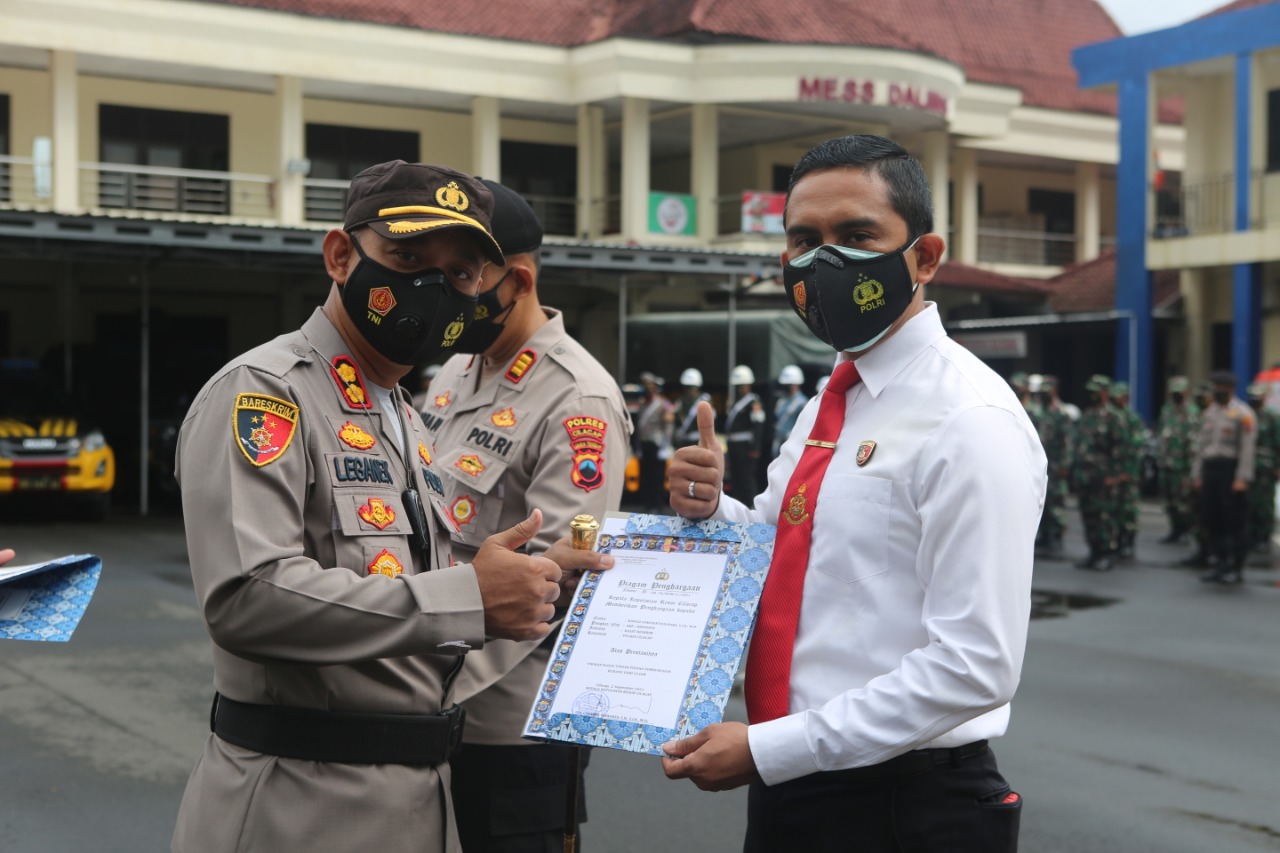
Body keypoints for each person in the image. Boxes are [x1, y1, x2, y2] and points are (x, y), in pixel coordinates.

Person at [170, 161, 580, 853]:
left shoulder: (402, 413)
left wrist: (533, 585)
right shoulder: (266, 391)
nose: (435, 286)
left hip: (419, 796)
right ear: (340, 256)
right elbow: (246, 597)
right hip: (300, 805)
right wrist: (468, 597)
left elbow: (410, 600)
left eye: (460, 273)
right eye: (408, 258)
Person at [661, 134, 1046, 852]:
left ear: (924, 258)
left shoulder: (969, 418)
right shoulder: (831, 399)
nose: (823, 262)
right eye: (804, 241)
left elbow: (976, 665)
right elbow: (780, 548)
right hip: (799, 784)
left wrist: (772, 748)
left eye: (856, 236)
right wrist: (713, 508)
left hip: (901, 805)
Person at [420, 179, 630, 851]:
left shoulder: (578, 398)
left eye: (462, 275)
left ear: (518, 281)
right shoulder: (456, 369)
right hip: (428, 707)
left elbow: (553, 582)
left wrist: (432, 685)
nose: (446, 293)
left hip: (507, 730)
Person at [1192, 370, 1257, 584]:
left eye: (1220, 388)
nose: (1217, 391)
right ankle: (1220, 563)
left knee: (1234, 522)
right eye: (1215, 388)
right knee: (1213, 519)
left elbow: (1247, 449)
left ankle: (1236, 567)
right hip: (1211, 470)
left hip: (1231, 471)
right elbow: (1201, 447)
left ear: (1230, 389)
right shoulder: (1210, 413)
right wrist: (1197, 474)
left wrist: (1242, 478)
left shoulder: (1243, 413)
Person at [1073, 374, 1125, 571]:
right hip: (1086, 476)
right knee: (1088, 515)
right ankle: (1093, 552)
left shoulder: (1114, 417)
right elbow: (1079, 446)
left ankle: (1106, 554)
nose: (1092, 395)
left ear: (1104, 393)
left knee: (1104, 517)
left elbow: (1119, 449)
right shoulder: (1087, 416)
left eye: (1095, 391)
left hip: (1104, 477)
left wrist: (1115, 475)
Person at [1030, 374, 1071, 555]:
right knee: (1042, 501)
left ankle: (1056, 537)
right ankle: (1045, 536)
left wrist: (1065, 464)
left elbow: (1067, 441)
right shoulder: (1038, 412)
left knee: (1056, 503)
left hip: (1056, 465)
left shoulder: (1061, 413)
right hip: (1041, 465)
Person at [1156, 376, 1199, 545]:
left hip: (1183, 466)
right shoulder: (1167, 410)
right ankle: (1174, 530)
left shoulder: (1192, 412)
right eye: (1174, 392)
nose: (1176, 395)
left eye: (1179, 392)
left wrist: (1193, 469)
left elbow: (1194, 441)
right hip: (1167, 463)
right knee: (1169, 500)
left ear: (1186, 392)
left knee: (1184, 501)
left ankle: (1186, 530)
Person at [1110, 381, 1147, 561]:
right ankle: (1116, 541)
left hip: (1128, 472)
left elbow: (1136, 447)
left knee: (1128, 509)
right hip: (1113, 471)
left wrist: (1128, 472)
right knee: (1114, 509)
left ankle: (1128, 542)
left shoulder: (1132, 418)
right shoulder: (1111, 417)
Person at [1245, 382, 1280, 555]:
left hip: (1267, 466)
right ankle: (1251, 535)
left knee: (1265, 503)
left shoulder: (1272, 417)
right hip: (1248, 466)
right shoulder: (1246, 415)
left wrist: (1278, 466)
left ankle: (1264, 536)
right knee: (1249, 501)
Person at [723, 364, 766, 499]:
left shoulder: (754, 402)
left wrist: (755, 448)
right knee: (735, 478)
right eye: (738, 386)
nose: (741, 388)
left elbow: (758, 425)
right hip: (733, 445)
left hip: (746, 446)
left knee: (746, 477)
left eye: (743, 385)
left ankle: (751, 504)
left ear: (748, 385)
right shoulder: (735, 402)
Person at [634, 371, 675, 511]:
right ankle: (648, 504)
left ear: (656, 387)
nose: (648, 388)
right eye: (646, 385)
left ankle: (658, 505)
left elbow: (668, 426)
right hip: (644, 443)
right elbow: (639, 426)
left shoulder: (663, 404)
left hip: (657, 444)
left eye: (650, 385)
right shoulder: (642, 403)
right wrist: (638, 446)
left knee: (657, 477)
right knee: (646, 476)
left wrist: (665, 446)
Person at [771, 364, 809, 456]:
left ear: (795, 384)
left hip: (793, 444)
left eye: (787, 385)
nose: (784, 387)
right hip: (779, 442)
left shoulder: (802, 402)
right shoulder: (781, 400)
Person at [674, 367, 712, 447]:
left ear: (698, 386)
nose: (689, 390)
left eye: (692, 387)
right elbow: (677, 421)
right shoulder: (680, 400)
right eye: (687, 387)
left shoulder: (705, 399)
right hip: (683, 441)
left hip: (699, 441)